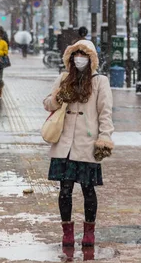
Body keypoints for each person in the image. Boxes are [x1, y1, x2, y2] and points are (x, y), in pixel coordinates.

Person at [43, 39, 114, 248]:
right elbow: (47, 103)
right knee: (64, 190)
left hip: (87, 144)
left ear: (91, 59)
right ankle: (67, 232)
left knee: (88, 189)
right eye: (76, 55)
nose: (79, 59)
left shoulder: (100, 81)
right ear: (71, 58)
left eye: (84, 55)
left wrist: (105, 138)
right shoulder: (64, 78)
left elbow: (105, 113)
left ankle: (89, 232)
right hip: (64, 144)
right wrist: (58, 97)